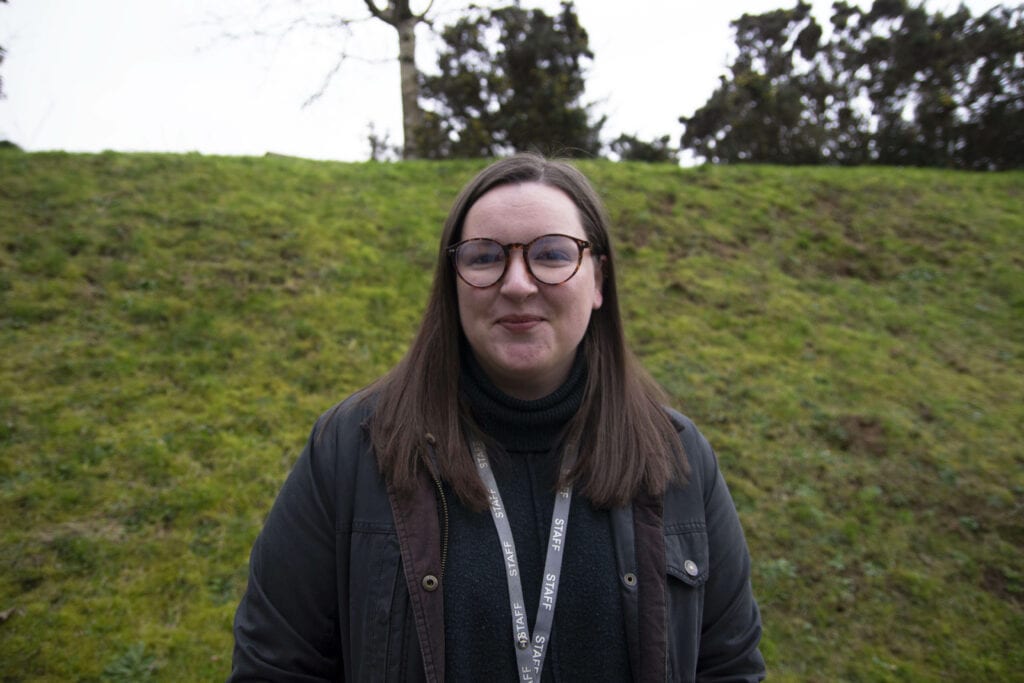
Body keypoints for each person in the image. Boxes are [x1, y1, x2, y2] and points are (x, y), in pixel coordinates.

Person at [230, 153, 765, 682]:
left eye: (553, 254)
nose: (516, 283)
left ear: (598, 280)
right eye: (484, 257)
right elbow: (275, 666)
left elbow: (730, 668)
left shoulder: (675, 455)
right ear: (453, 281)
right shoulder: (352, 449)